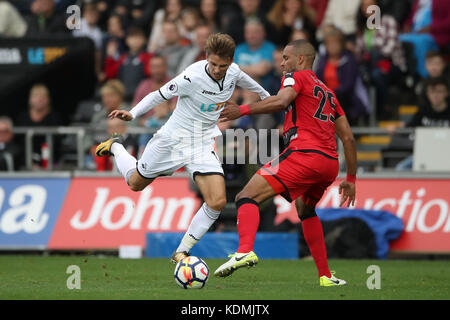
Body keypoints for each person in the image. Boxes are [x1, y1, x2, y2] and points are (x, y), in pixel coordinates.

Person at [95, 33, 270, 264]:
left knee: (216, 201)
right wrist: (133, 113)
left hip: (202, 141)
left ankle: (181, 252)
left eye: (223, 65)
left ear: (230, 61)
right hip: (173, 139)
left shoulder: (234, 72)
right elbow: (157, 95)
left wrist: (272, 100)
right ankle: (116, 147)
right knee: (136, 183)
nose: (218, 70)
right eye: (214, 64)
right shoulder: (192, 76)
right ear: (207, 57)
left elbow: (259, 90)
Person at [214, 39, 357, 287]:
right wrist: (352, 179)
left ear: (301, 59)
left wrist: (243, 110)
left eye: (286, 58)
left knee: (246, 196)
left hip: (304, 155)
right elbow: (348, 137)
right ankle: (325, 276)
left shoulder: (295, 77)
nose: (281, 64)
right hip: (329, 164)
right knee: (306, 211)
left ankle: (245, 250)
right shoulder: (329, 93)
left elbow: (281, 101)